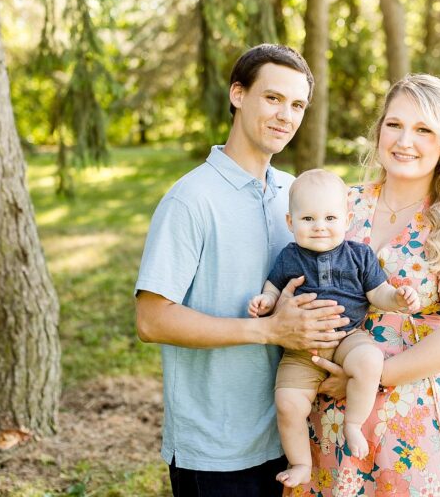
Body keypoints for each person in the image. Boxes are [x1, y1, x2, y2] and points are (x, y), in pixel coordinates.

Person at [134, 44, 351, 497]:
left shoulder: (296, 197)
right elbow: (151, 321)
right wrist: (271, 331)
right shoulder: (190, 199)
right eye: (273, 98)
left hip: (292, 437)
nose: (285, 116)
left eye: (297, 105)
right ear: (238, 94)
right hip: (218, 448)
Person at [285, 74, 440, 496]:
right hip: (330, 414)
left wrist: (368, 377)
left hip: (413, 421)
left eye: (423, 129)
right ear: (378, 131)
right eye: (394, 125)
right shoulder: (342, 204)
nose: (405, 140)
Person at [247, 169, 421, 488]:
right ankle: (300, 462)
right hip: (300, 351)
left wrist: (396, 297)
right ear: (290, 223)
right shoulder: (290, 257)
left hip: (348, 338)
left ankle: (353, 423)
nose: (320, 227)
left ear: (347, 218)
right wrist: (266, 301)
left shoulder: (359, 256)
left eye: (329, 217)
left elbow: (377, 293)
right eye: (308, 219)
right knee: (287, 403)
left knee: (369, 361)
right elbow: (273, 287)